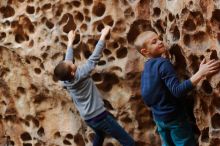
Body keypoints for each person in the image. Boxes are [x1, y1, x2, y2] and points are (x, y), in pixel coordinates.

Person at [134, 31, 220, 146]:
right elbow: (177, 91)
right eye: (154, 42)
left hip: (159, 119)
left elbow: (146, 97)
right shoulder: (163, 64)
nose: (160, 42)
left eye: (159, 38)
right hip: (174, 118)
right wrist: (201, 73)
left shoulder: (147, 68)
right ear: (145, 51)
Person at [54, 26, 135, 146]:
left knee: (100, 134)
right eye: (71, 64)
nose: (71, 61)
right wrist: (103, 36)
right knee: (128, 142)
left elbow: (68, 60)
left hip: (88, 118)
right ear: (72, 72)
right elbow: (94, 58)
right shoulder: (81, 74)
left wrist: (70, 41)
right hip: (100, 116)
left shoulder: (66, 80)